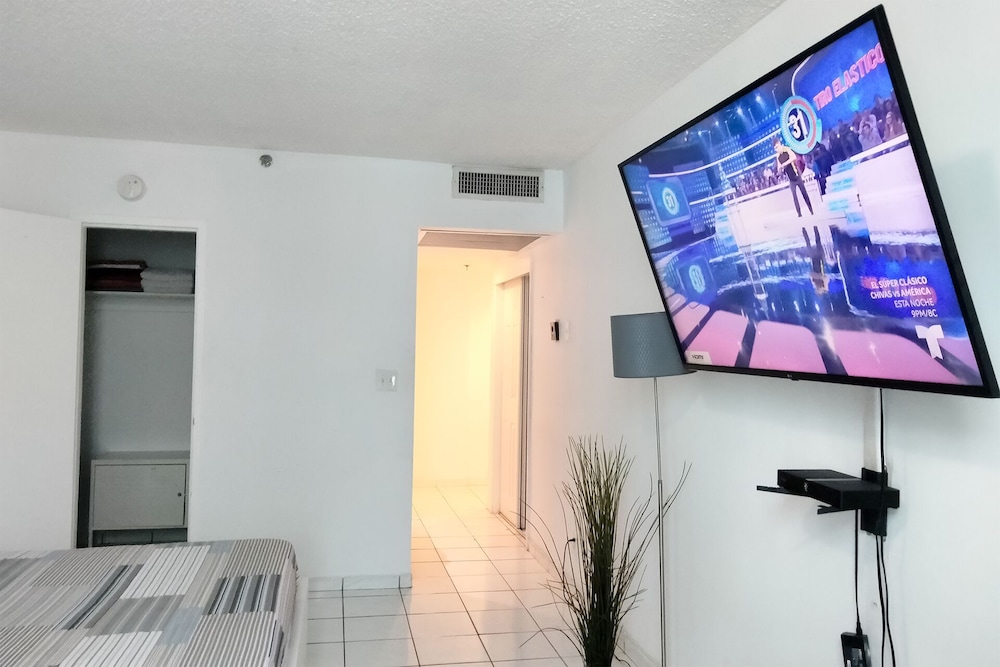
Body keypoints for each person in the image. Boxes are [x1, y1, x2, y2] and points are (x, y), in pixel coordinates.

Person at [773, 137, 813, 216]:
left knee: (804, 193)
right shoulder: (778, 156)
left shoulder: (787, 149)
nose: (777, 149)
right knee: (794, 196)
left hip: (797, 175)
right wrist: (779, 171)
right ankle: (799, 214)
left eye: (777, 147)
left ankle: (811, 210)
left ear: (780, 144)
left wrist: (785, 164)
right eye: (775, 148)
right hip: (790, 179)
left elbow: (793, 157)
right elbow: (779, 167)